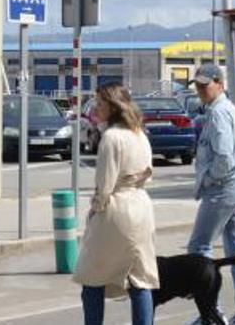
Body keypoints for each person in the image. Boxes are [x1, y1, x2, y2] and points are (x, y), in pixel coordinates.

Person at [73, 82, 158, 325]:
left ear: (113, 106)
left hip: (117, 208)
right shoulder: (139, 133)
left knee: (91, 275)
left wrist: (95, 210)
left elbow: (105, 183)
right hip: (141, 205)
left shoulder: (111, 137)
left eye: (100, 103)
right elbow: (149, 173)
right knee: (139, 278)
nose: (96, 108)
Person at [186, 63, 235, 325]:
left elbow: (224, 159)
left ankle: (211, 314)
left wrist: (207, 180)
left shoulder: (218, 114)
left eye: (206, 85)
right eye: (198, 85)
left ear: (220, 83)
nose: (201, 90)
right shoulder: (231, 111)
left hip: (224, 189)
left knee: (198, 250)